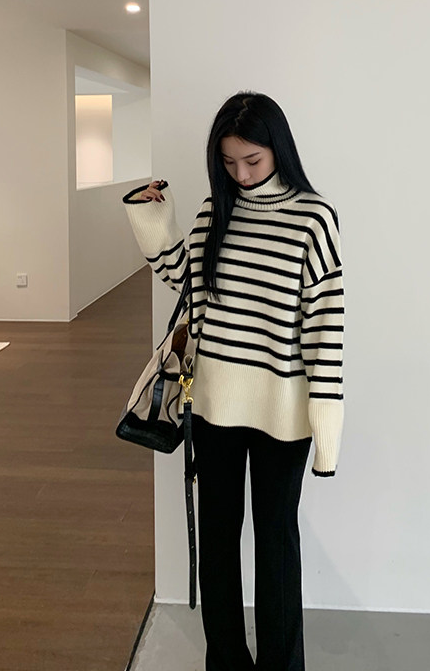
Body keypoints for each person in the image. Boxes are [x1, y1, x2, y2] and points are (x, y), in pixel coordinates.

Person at [123, 91, 344, 671]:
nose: (241, 175)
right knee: (218, 542)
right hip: (213, 407)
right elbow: (183, 278)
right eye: (228, 162)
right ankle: (225, 663)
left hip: (282, 415)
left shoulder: (314, 218)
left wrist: (327, 425)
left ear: (278, 150)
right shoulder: (215, 211)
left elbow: (325, 326)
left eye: (252, 160)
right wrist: (153, 217)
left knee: (276, 547)